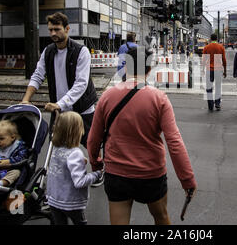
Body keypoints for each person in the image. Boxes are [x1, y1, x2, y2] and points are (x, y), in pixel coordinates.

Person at [87, 47, 197, 225]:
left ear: (126, 66)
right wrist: (187, 179)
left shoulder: (107, 96)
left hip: (117, 174)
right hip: (151, 175)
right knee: (161, 217)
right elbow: (174, 142)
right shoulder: (159, 98)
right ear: (149, 68)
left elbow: (93, 138)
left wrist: (96, 163)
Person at [21, 12, 102, 186]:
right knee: (56, 145)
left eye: (56, 29)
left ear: (67, 29)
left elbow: (81, 84)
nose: (52, 33)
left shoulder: (81, 51)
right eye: (50, 30)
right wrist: (26, 99)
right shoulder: (48, 51)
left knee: (91, 145)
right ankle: (60, 179)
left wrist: (60, 103)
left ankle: (98, 171)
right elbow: (37, 75)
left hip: (82, 109)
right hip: (59, 109)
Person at [46, 111, 103, 225]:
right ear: (77, 131)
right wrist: (97, 174)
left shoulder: (56, 148)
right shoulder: (75, 153)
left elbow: (62, 166)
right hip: (70, 202)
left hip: (54, 199)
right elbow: (80, 182)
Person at [202, 34, 227, 111]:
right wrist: (225, 70)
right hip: (218, 69)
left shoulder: (206, 47)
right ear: (216, 39)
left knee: (209, 88)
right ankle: (217, 103)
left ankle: (210, 105)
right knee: (218, 87)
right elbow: (224, 60)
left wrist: (202, 69)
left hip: (209, 69)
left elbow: (204, 60)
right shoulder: (221, 47)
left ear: (210, 39)